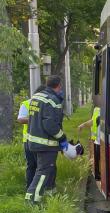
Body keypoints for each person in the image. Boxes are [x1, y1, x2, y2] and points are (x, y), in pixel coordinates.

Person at [25, 75, 69, 205]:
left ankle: (51, 193)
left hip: (33, 142)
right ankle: (32, 199)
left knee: (49, 169)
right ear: (59, 85)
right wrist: (62, 138)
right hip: (46, 144)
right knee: (43, 172)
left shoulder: (36, 96)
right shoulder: (53, 100)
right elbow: (50, 125)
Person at [17, 85, 46, 190]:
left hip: (42, 140)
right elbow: (20, 119)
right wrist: (35, 119)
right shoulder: (27, 103)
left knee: (41, 166)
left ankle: (38, 189)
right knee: (32, 165)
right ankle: (30, 188)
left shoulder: (45, 104)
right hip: (28, 140)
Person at [78, 106, 101, 180]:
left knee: (97, 160)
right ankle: (95, 175)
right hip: (97, 140)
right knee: (95, 160)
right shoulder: (97, 109)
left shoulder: (108, 106)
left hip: (103, 141)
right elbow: (93, 121)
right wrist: (83, 125)